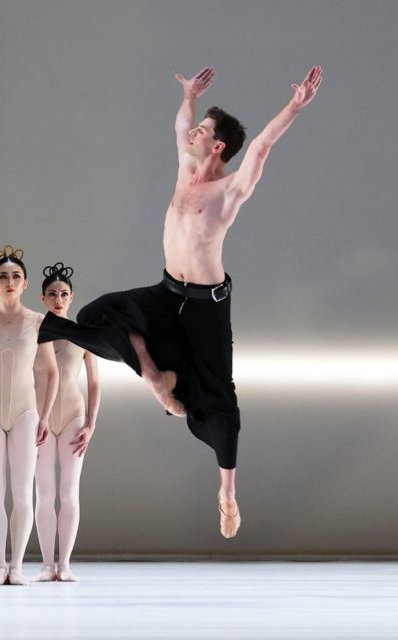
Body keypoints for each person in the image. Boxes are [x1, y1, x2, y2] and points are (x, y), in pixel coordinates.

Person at [39, 66, 322, 538]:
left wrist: (295, 105)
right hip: (167, 292)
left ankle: (227, 494)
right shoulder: (187, 170)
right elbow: (177, 127)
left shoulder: (228, 192)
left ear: (217, 147)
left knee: (222, 403)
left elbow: (262, 147)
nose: (193, 132)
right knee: (96, 315)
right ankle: (153, 370)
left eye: (204, 131)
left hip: (207, 306)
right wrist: (189, 97)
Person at [0, 246, 57, 585]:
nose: (9, 281)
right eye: (3, 276)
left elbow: (52, 372)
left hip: (26, 411)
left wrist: (44, 417)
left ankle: (16, 566)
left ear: (26, 282)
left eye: (16, 276)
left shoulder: (39, 322)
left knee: (21, 492)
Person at [33, 263, 101, 582]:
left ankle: (66, 563)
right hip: (39, 419)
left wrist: (91, 423)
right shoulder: (33, 333)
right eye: (52, 295)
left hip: (73, 415)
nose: (58, 299)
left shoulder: (82, 335)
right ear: (42, 299)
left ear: (71, 298)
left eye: (63, 294)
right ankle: (48, 564)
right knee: (44, 492)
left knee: (69, 491)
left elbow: (95, 384)